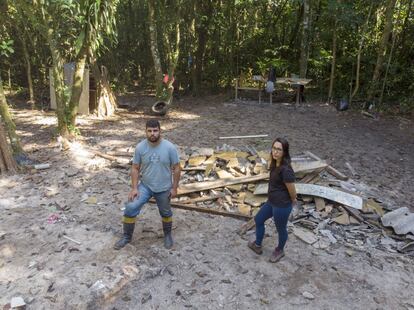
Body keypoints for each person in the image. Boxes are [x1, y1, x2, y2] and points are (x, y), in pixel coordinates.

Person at [114, 119, 181, 250]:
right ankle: (127, 237)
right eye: (149, 131)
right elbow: (135, 168)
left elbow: (177, 168)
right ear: (145, 132)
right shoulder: (140, 147)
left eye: (155, 130)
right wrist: (134, 188)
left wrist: (174, 188)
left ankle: (167, 235)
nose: (152, 133)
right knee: (130, 207)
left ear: (160, 131)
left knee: (166, 212)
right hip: (146, 186)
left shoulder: (169, 148)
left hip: (164, 188)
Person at [248, 137, 297, 262]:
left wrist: (293, 200)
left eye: (279, 150)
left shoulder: (286, 170)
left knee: (281, 229)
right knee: (258, 220)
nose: (275, 152)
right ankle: (257, 245)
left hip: (282, 206)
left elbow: (292, 190)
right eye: (274, 148)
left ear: (284, 152)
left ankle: (280, 250)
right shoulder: (275, 164)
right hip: (271, 202)